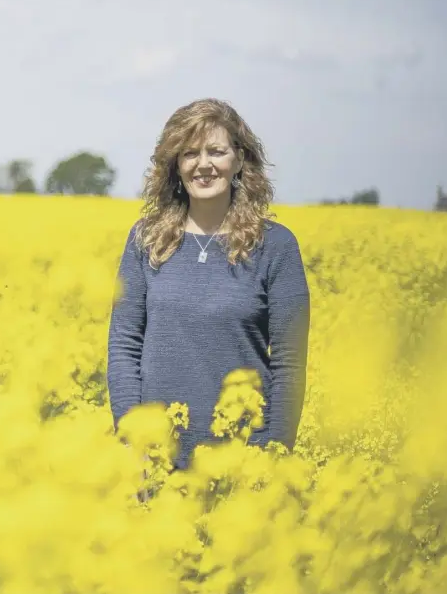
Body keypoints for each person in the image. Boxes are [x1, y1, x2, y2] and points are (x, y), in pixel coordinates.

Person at [107, 98, 310, 473]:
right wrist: (132, 441)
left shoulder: (276, 246)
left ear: (239, 161)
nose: (203, 165)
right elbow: (124, 347)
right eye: (189, 153)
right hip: (155, 462)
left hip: (242, 462)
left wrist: (273, 456)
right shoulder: (145, 240)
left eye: (216, 151)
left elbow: (289, 365)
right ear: (175, 165)